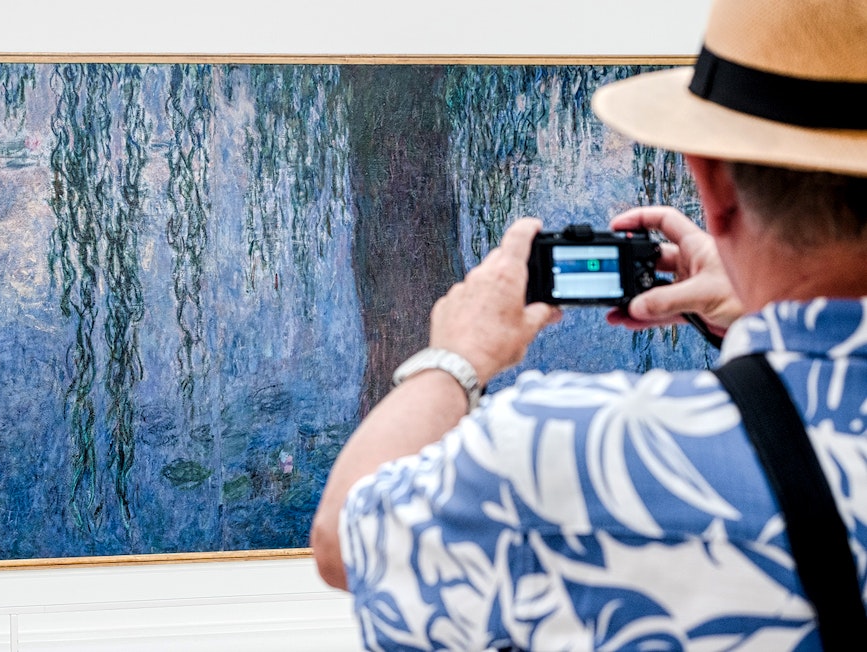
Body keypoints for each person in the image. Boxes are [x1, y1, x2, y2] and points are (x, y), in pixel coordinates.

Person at [309, 0, 867, 649]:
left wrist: (455, 360)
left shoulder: (557, 451)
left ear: (712, 184)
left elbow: (345, 538)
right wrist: (756, 318)